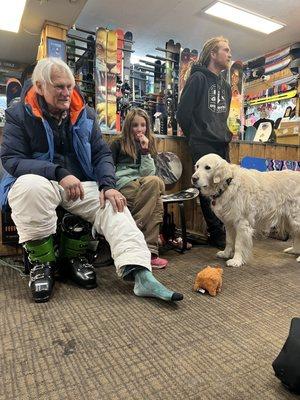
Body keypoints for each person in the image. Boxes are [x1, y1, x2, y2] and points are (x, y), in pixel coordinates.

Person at [0, 57, 183, 304]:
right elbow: (12, 159)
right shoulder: (18, 114)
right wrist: (58, 173)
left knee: (114, 204)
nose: (67, 93)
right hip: (42, 180)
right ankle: (41, 264)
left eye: (69, 86)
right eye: (59, 87)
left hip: (79, 183)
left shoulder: (84, 114)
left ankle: (140, 272)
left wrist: (108, 185)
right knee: (28, 188)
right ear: (40, 86)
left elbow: (101, 153)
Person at [177, 36, 232, 249]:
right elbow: (182, 113)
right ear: (213, 53)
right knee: (206, 187)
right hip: (202, 142)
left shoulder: (226, 86)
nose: (229, 54)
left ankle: (226, 230)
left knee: (225, 186)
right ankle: (216, 233)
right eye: (225, 50)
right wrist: (196, 134)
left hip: (221, 142)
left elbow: (223, 115)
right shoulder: (198, 79)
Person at [110, 108, 168, 269]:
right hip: (124, 184)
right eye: (135, 125)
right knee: (156, 197)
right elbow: (108, 168)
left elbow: (148, 173)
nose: (140, 129)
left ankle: (133, 233)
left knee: (154, 184)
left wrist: (144, 151)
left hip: (143, 183)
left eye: (143, 125)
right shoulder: (117, 143)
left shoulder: (149, 142)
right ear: (128, 126)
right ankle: (150, 252)